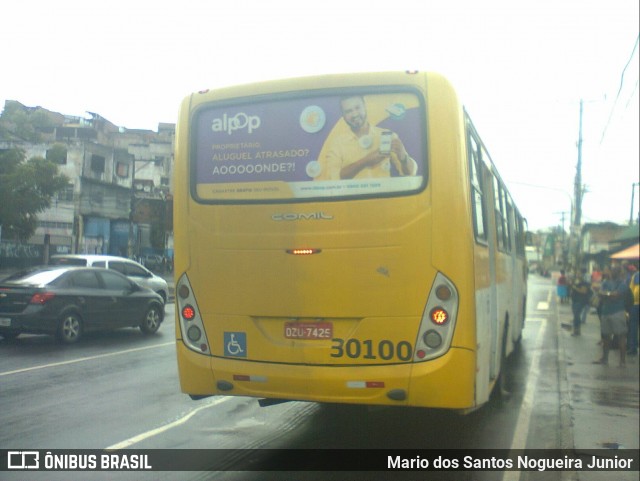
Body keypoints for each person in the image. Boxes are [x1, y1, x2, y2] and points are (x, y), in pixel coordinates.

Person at [319, 96, 417, 180]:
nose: (355, 114)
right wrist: (365, 161)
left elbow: (410, 173)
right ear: (343, 116)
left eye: (357, 108)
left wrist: (403, 157)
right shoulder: (337, 143)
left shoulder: (386, 135)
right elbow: (332, 178)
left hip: (384, 200)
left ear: (365, 107)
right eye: (348, 111)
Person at [593, 265, 629, 366]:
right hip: (606, 312)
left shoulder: (622, 284)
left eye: (614, 271)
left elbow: (616, 295)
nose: (612, 273)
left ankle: (622, 361)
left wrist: (606, 294)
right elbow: (602, 294)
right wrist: (609, 294)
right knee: (606, 337)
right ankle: (605, 359)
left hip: (617, 312)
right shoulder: (606, 282)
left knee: (621, 337)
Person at [569, 268, 592, 336]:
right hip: (574, 300)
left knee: (576, 315)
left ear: (582, 275)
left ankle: (577, 331)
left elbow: (583, 291)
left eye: (579, 273)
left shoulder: (584, 283)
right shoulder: (575, 281)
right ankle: (577, 330)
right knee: (576, 315)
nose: (577, 275)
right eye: (577, 273)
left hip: (580, 301)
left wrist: (575, 288)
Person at [626, 264, 639, 355]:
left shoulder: (635, 276)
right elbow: (631, 290)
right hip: (635, 304)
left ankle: (633, 347)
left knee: (633, 326)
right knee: (633, 326)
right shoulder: (635, 276)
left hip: (635, 305)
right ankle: (633, 346)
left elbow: (631, 291)